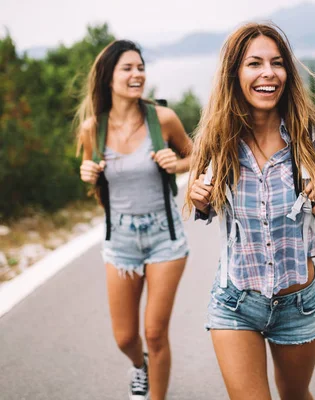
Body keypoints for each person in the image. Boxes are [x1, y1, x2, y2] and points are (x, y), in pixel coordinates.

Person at [185, 22, 315, 400]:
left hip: (297, 303)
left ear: (288, 72)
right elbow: (204, 208)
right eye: (254, 63)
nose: (268, 72)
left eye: (276, 63)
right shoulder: (218, 137)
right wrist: (200, 200)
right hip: (235, 301)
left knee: (295, 394)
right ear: (235, 73)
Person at [77, 40, 193, 400]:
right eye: (127, 68)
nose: (137, 74)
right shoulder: (92, 129)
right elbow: (96, 182)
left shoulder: (163, 119)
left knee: (155, 333)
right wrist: (87, 173)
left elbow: (197, 156)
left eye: (140, 67)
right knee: (125, 336)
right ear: (108, 77)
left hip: (165, 236)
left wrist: (179, 164)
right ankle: (139, 366)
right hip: (121, 239)